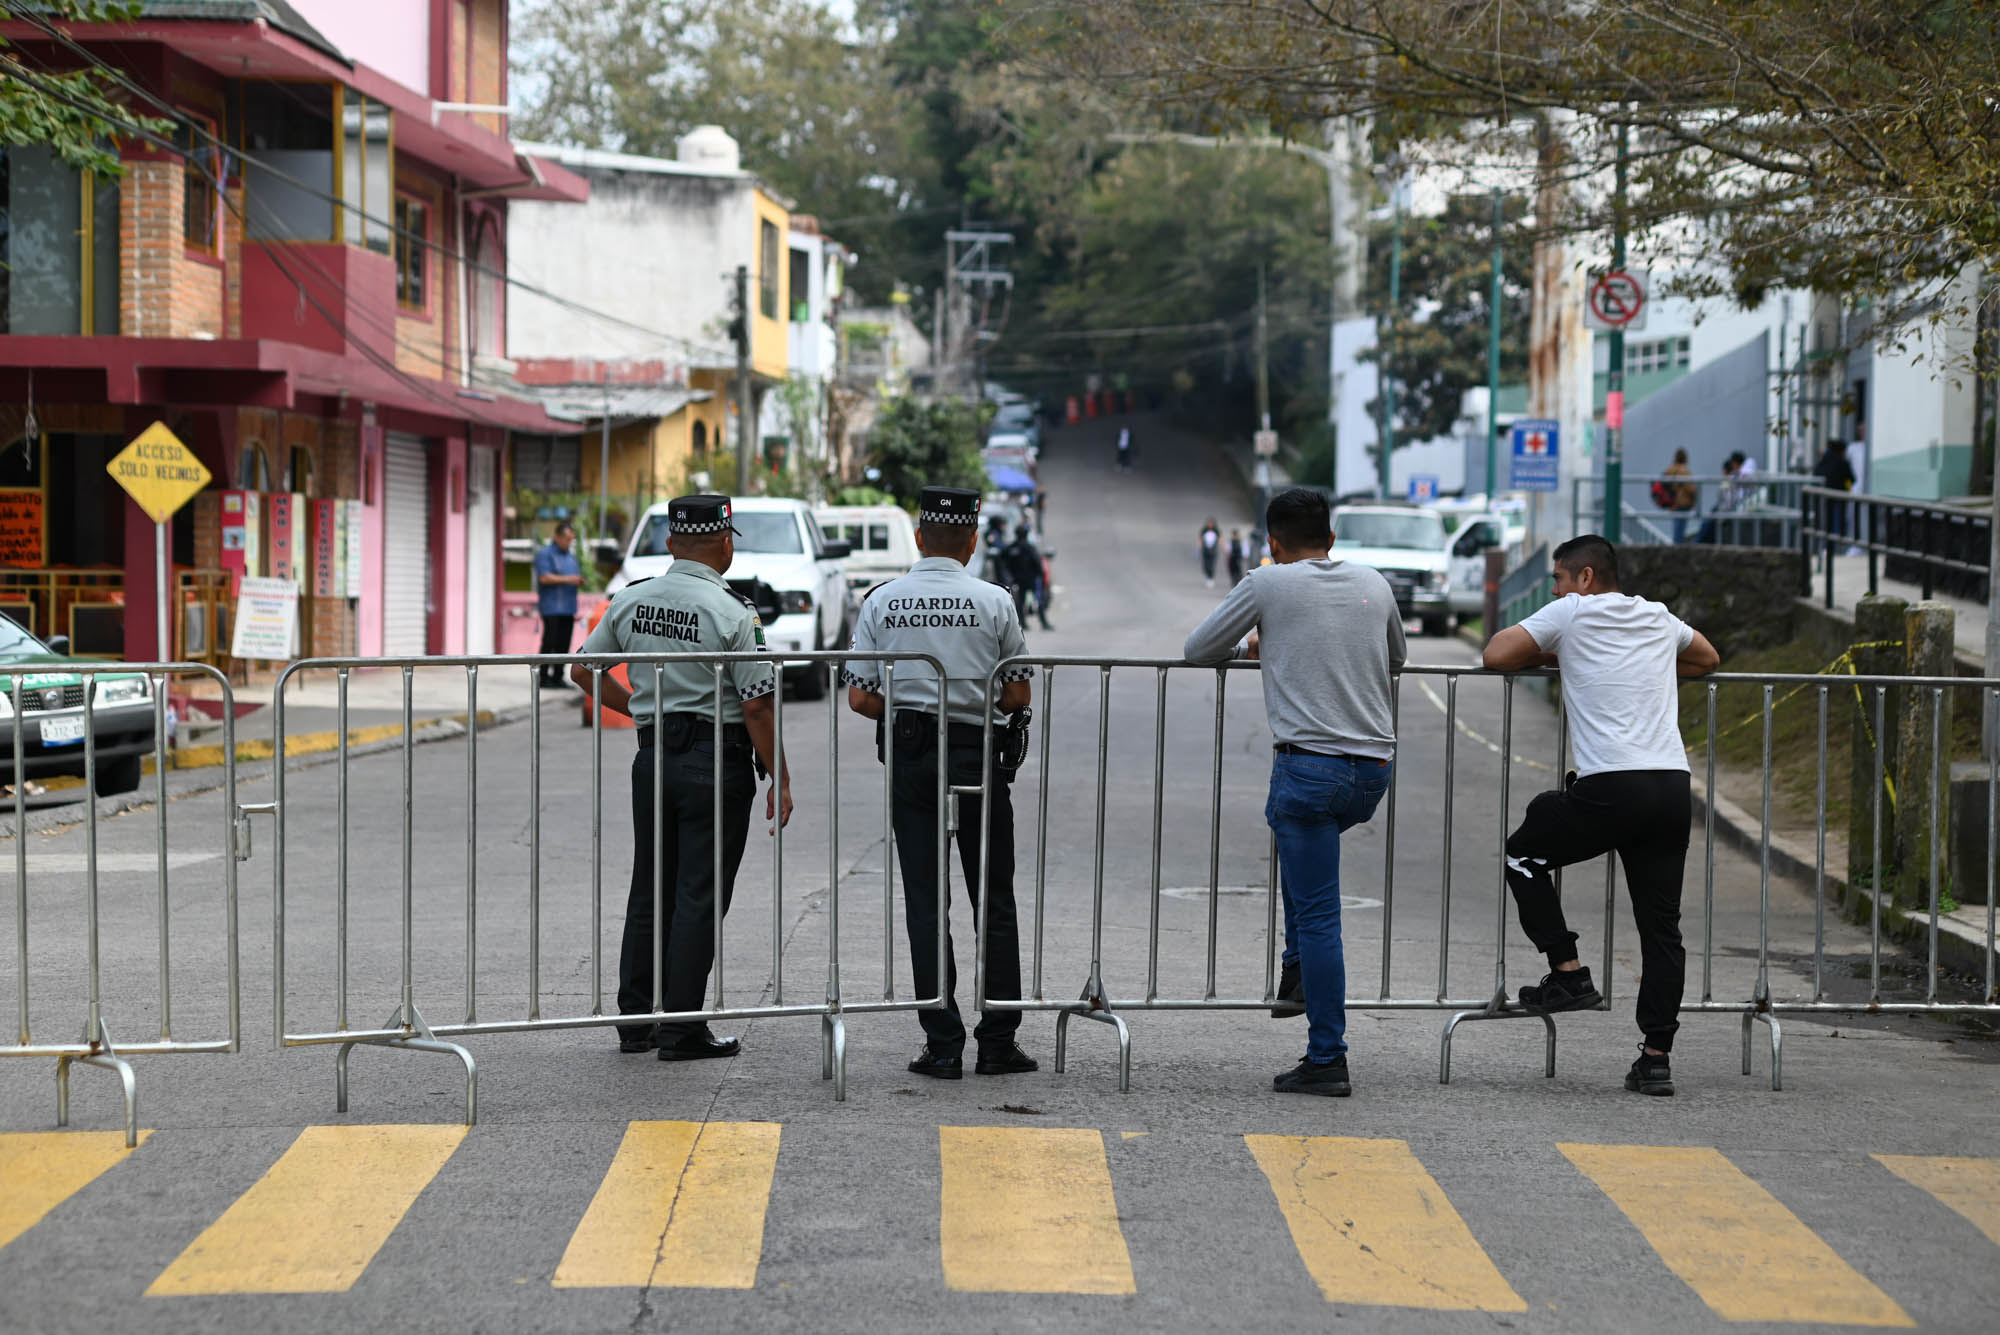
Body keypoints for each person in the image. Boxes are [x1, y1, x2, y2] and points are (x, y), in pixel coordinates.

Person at [1183, 487, 1404, 1098]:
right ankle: (1295, 972)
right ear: (1331, 539)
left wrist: (1254, 644)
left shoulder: (1267, 582)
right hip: (1372, 770)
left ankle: (1327, 1054)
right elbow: (1397, 655)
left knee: (1318, 914)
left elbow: (1198, 649)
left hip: (1310, 768)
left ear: (1272, 544)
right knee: (1298, 855)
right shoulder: (1375, 582)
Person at [1481, 535, 1719, 1097]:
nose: (1556, 588)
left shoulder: (1573, 612)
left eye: (1559, 578)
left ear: (1584, 578)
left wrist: (1558, 653)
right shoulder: (1658, 617)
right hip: (1670, 785)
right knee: (1662, 927)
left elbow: (1496, 655)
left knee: (1523, 853)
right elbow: (1708, 658)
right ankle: (1655, 1057)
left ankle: (1567, 973)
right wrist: (1650, 664)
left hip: (1613, 783)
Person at [572, 495, 793, 1061]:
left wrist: (642, 713)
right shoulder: (733, 612)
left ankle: (637, 1024)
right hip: (714, 762)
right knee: (699, 893)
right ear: (725, 544)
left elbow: (582, 670)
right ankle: (681, 1029)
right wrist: (780, 776)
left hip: (653, 760)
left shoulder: (632, 599)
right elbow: (758, 707)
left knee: (651, 885)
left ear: (671, 544)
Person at [844, 486, 1037, 1080]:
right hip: (978, 754)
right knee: (993, 898)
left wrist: (909, 705)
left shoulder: (883, 601)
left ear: (920, 538)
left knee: (927, 899)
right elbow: (1018, 692)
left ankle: (943, 1042)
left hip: (913, 755)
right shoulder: (996, 602)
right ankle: (999, 1041)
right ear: (973, 541)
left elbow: (860, 696)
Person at [533, 522, 583, 687]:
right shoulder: (545, 554)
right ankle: (543, 676)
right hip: (551, 606)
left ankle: (558, 676)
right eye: (566, 539)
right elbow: (544, 577)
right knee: (549, 641)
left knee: (564, 643)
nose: (568, 542)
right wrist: (569, 579)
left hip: (568, 607)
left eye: (571, 539)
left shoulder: (571, 556)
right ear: (558, 537)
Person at [1005, 522, 1054, 631]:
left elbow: (1006, 564)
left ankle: (1022, 624)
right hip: (1031, 579)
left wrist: (1012, 577)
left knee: (1020, 603)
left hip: (1019, 580)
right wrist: (1040, 576)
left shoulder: (1012, 549)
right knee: (1038, 601)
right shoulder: (1029, 548)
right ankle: (1043, 623)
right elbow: (1037, 563)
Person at [1813, 438, 1858, 553]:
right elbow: (1852, 479)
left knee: (1825, 523)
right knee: (1838, 523)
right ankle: (1838, 546)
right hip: (1839, 497)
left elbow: (1815, 475)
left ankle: (1824, 547)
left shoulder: (1823, 462)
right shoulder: (1842, 463)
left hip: (1823, 498)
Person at [1659, 449, 1698, 544]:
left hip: (1672, 503)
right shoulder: (1684, 471)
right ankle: (1678, 548)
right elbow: (1690, 488)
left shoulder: (1670, 469)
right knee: (1680, 528)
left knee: (1676, 526)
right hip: (1683, 503)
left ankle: (1676, 545)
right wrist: (1695, 498)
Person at [1199, 518, 1221, 587]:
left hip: (1213, 550)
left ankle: (1211, 578)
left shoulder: (1216, 531)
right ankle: (1208, 576)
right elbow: (1200, 539)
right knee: (1206, 565)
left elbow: (1220, 539)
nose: (1210, 525)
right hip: (1205, 550)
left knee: (1211, 564)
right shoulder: (1204, 530)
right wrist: (1199, 547)